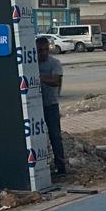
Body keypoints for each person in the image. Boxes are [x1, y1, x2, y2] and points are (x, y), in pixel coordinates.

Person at [35, 36, 66, 177]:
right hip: (34, 107)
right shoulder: (31, 64)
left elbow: (55, 81)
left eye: (46, 49)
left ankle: (61, 167)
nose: (43, 53)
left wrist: (38, 77)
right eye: (40, 50)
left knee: (55, 136)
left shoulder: (55, 63)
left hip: (50, 105)